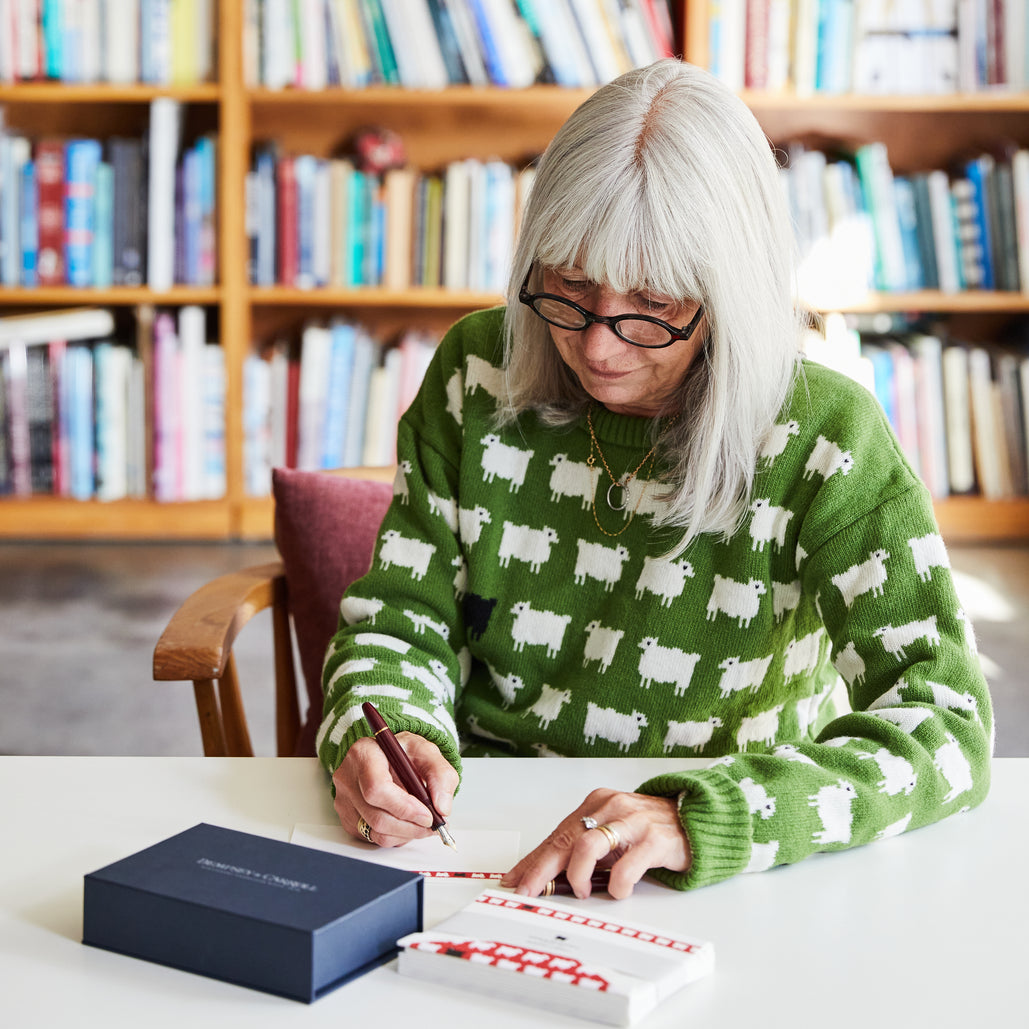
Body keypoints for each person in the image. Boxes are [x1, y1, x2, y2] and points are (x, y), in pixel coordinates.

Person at [318, 59, 992, 899]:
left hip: (721, 872)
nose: (597, 347)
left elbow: (948, 726)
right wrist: (383, 730)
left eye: (654, 304)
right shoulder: (475, 369)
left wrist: (702, 814)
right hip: (477, 840)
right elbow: (400, 619)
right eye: (567, 283)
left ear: (730, 295)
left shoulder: (827, 435)